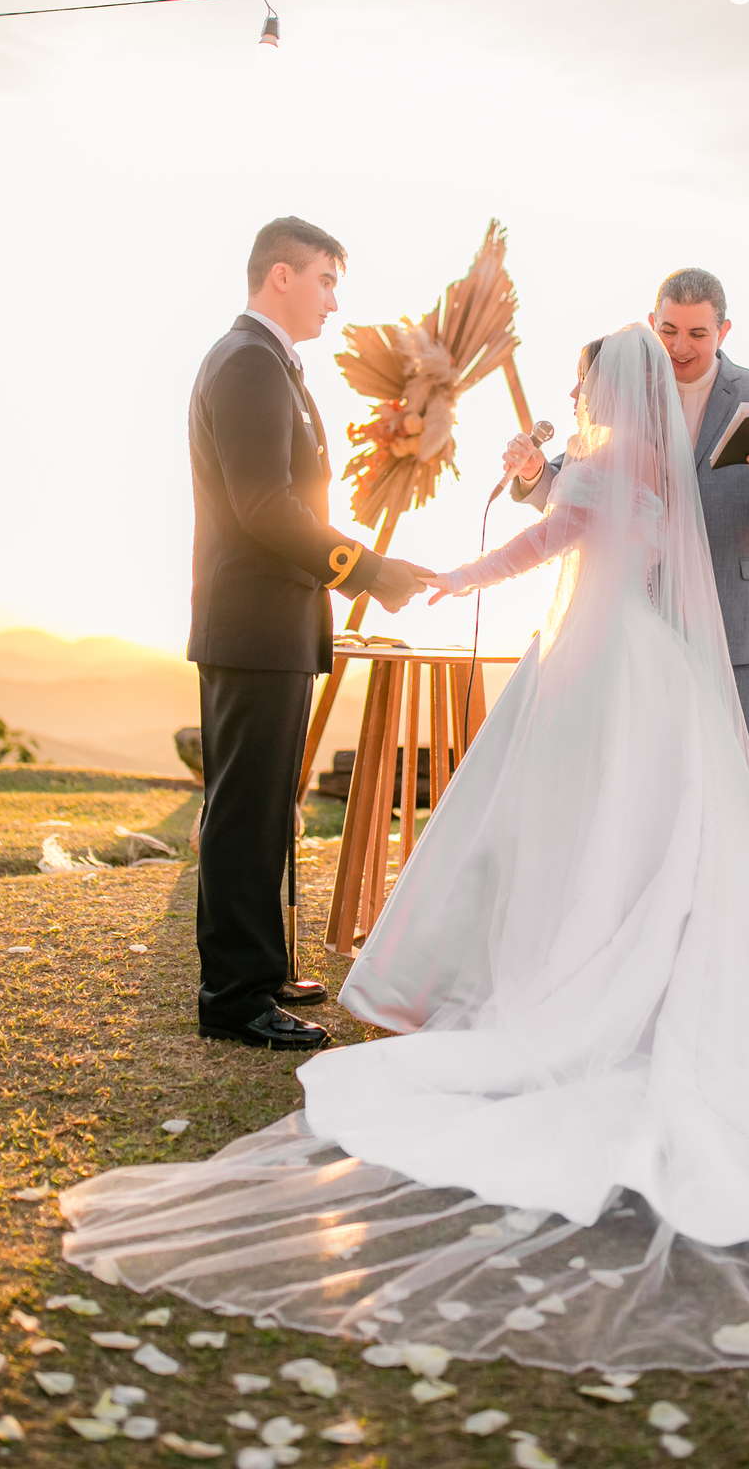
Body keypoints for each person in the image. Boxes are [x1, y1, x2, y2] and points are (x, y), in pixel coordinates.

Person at [64, 327, 749, 1378]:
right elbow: (618, 542)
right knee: (635, 839)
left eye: (583, 383)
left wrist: (452, 575)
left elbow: (547, 544)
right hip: (655, 666)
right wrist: (547, 483)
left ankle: (545, 979)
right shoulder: (657, 468)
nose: (577, 396)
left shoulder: (600, 463)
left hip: (591, 665)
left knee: (545, 830)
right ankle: (631, 972)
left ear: (602, 388)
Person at [187, 216, 428, 1054]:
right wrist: (366, 570)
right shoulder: (248, 362)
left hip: (272, 622)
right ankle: (234, 996)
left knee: (263, 810)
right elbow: (264, 506)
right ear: (281, 275)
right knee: (244, 812)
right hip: (252, 624)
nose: (333, 300)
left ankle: (261, 968)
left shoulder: (267, 361)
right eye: (326, 280)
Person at [503, 268, 749, 755]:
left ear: (723, 331)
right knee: (646, 774)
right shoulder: (630, 388)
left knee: (730, 775)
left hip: (734, 622)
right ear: (652, 324)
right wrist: (531, 473)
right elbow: (572, 488)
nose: (680, 347)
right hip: (641, 625)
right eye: (669, 331)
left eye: (697, 334)